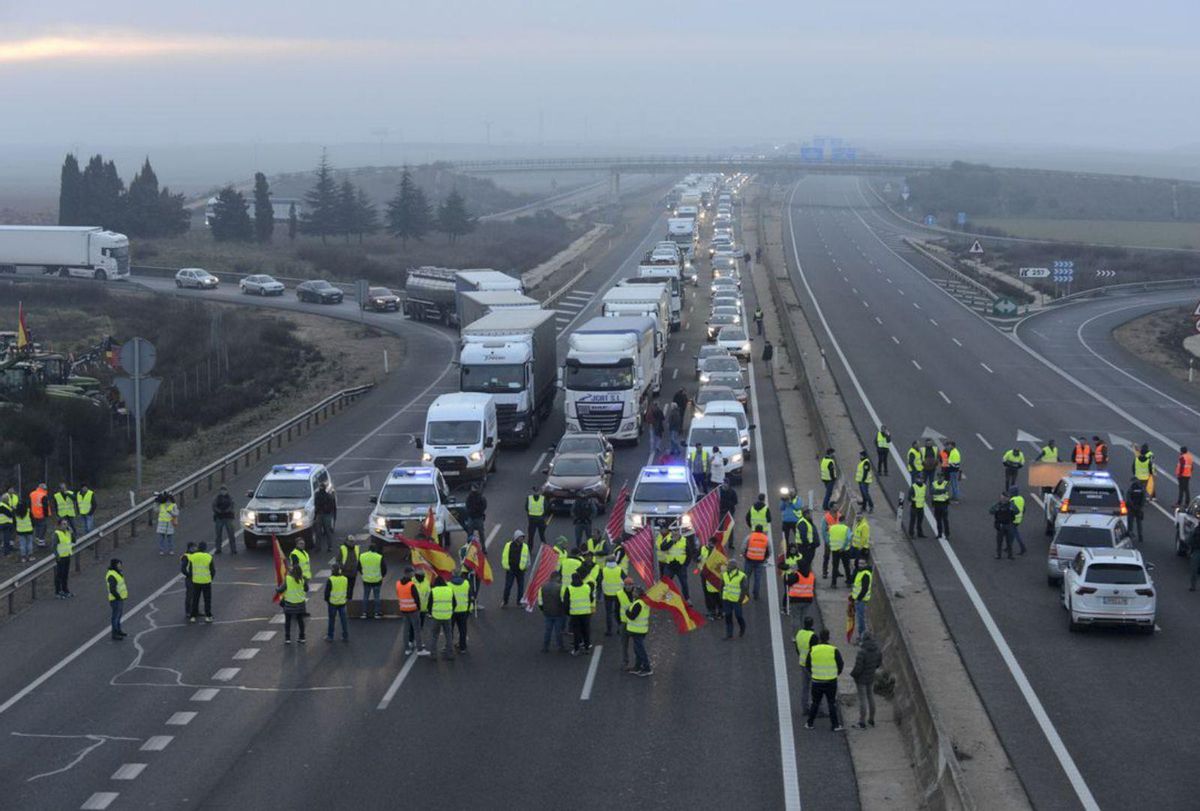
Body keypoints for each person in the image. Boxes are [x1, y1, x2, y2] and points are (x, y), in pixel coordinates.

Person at [804, 629, 845, 731]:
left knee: (815, 703)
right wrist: (836, 673)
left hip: (817, 681)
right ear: (828, 637)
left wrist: (814, 673)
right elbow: (840, 664)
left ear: (819, 637)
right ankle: (835, 725)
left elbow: (807, 664)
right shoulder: (833, 650)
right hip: (831, 681)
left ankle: (809, 723)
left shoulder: (813, 649)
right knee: (831, 703)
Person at [851, 633, 883, 729]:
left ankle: (862, 721)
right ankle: (871, 719)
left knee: (862, 700)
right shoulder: (877, 651)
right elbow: (878, 664)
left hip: (861, 679)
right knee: (871, 697)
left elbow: (858, 668)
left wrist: (853, 675)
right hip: (871, 677)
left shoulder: (862, 652)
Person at [563, 571, 595, 655]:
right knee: (586, 630)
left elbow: (566, 603)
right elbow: (591, 598)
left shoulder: (569, 588)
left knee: (576, 632)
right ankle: (587, 647)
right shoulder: (587, 587)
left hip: (575, 613)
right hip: (586, 612)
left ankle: (576, 649)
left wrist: (568, 612)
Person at [427, 576, 458, 660]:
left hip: (436, 616)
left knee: (434, 636)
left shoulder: (434, 591)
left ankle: (433, 655)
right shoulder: (449, 590)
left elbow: (429, 605)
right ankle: (450, 654)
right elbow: (455, 603)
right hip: (447, 616)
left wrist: (431, 613)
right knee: (448, 635)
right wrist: (450, 612)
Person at [624, 586, 653, 676]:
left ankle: (647, 668)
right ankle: (637, 667)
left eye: (634, 592)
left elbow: (632, 616)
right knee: (637, 649)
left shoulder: (638, 604)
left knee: (640, 650)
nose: (633, 593)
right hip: (642, 629)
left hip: (637, 630)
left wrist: (627, 611)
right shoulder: (645, 603)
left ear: (638, 594)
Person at [277, 562, 308, 644]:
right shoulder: (302, 579)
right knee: (300, 621)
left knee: (288, 621)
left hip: (289, 604)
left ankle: (288, 638)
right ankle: (302, 637)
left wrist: (277, 589)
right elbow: (306, 589)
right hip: (300, 604)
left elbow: (281, 589)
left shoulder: (288, 579)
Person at [394, 567, 423, 652]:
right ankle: (419, 648)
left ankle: (407, 648)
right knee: (417, 629)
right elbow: (416, 598)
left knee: (405, 630)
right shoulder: (411, 585)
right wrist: (419, 607)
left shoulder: (398, 583)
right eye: (412, 572)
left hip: (403, 609)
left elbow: (398, 594)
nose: (413, 574)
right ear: (409, 573)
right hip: (413, 610)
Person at [538, 571, 567, 652]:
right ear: (557, 577)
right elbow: (563, 600)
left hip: (547, 612)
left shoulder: (543, 586)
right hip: (558, 612)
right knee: (558, 631)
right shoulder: (561, 587)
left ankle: (545, 647)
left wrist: (543, 609)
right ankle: (560, 647)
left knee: (548, 631)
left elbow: (540, 601)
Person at [501, 530, 530, 607]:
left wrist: (526, 566)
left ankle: (519, 602)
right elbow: (504, 556)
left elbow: (527, 558)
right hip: (511, 569)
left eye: (522, 537)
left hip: (520, 570)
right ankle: (505, 601)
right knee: (508, 586)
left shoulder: (525, 547)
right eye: (520, 537)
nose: (522, 539)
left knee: (521, 587)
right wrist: (506, 567)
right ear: (516, 538)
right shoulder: (508, 545)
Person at [187, 542, 214, 623]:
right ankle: (208, 616)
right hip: (206, 581)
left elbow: (190, 569)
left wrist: (193, 577)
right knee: (207, 599)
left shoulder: (193, 556)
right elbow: (212, 570)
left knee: (195, 599)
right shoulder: (208, 557)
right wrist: (210, 578)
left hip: (196, 581)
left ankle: (193, 616)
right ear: (205, 548)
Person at [794, 618, 816, 715]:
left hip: (802, 662)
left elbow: (797, 648)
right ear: (812, 624)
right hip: (811, 665)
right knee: (815, 687)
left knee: (805, 687)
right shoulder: (813, 636)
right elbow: (815, 651)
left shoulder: (799, 633)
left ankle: (804, 708)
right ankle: (817, 708)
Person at [358, 542, 386, 619]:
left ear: (368, 549)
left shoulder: (362, 556)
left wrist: (363, 574)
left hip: (366, 580)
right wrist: (381, 576)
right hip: (377, 580)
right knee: (376, 596)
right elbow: (384, 569)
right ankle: (377, 613)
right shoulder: (379, 557)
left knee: (365, 596)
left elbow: (359, 567)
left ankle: (364, 613)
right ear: (375, 549)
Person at [698, 538, 724, 620]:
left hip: (714, 575)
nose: (709, 544)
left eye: (712, 543)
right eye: (709, 542)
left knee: (716, 594)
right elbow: (697, 556)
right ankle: (711, 611)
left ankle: (721, 610)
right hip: (704, 574)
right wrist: (697, 559)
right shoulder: (703, 548)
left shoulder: (719, 551)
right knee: (707, 593)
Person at [600, 555, 625, 635]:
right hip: (618, 594)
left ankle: (609, 630)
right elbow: (625, 579)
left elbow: (599, 580)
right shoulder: (619, 570)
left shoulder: (604, 570)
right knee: (618, 612)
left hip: (607, 594)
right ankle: (619, 628)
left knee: (609, 613)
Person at [722, 561, 747, 638]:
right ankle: (729, 634)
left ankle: (742, 628)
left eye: (729, 566)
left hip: (736, 601)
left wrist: (740, 599)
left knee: (738, 616)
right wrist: (721, 596)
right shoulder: (724, 574)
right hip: (726, 599)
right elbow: (721, 586)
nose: (727, 567)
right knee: (728, 616)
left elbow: (744, 589)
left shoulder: (742, 576)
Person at [325, 564, 350, 642]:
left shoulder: (330, 579)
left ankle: (330, 636)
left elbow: (327, 593)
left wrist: (327, 600)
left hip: (333, 603)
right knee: (343, 620)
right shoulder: (345, 579)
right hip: (342, 602)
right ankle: (345, 636)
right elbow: (348, 590)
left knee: (331, 620)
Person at [744, 524, 769, 600]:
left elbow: (743, 547)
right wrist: (765, 558)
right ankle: (756, 594)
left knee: (746, 577)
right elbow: (769, 550)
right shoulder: (766, 538)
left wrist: (744, 555)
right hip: (760, 561)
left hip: (749, 560)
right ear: (762, 530)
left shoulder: (750, 537)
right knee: (757, 579)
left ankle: (746, 594)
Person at [851, 556, 873, 642]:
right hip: (858, 599)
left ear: (866, 564)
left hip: (861, 600)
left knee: (861, 620)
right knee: (860, 619)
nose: (860, 565)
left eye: (862, 563)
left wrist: (858, 598)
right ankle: (863, 636)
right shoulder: (860, 572)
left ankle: (862, 637)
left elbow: (864, 589)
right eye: (859, 563)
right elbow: (852, 581)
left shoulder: (865, 574)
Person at [827, 514, 852, 588]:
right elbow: (848, 539)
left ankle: (833, 583)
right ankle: (848, 582)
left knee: (835, 567)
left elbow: (829, 537)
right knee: (846, 566)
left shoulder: (832, 528)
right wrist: (843, 547)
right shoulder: (846, 528)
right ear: (844, 520)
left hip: (835, 550)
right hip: (844, 550)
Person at [211, 485, 237, 554]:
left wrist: (226, 511)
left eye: (224, 490)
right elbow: (214, 506)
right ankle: (218, 549)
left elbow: (232, 506)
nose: (223, 491)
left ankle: (233, 549)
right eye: (222, 490)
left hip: (228, 518)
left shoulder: (230, 498)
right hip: (219, 518)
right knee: (218, 535)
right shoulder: (216, 498)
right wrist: (219, 511)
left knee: (231, 534)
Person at [451, 569, 472, 653]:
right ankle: (462, 647)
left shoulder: (449, 584)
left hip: (452, 611)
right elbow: (469, 597)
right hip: (463, 610)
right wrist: (469, 608)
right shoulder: (466, 583)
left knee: (450, 630)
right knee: (463, 629)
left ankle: (449, 646)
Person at [990, 492, 1016, 560]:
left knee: (1009, 541)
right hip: (1000, 525)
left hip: (1009, 524)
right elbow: (990, 511)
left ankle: (1010, 555)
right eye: (1003, 497)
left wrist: (1011, 509)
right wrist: (996, 509)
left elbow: (1017, 511)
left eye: (1006, 498)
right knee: (999, 541)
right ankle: (998, 554)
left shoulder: (1011, 505)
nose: (1004, 499)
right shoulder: (998, 505)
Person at [314, 481, 337, 553]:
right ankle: (319, 547)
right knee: (319, 532)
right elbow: (316, 505)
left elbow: (332, 506)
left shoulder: (328, 496)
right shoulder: (319, 495)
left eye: (322, 487)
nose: (321, 488)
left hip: (325, 514)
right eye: (320, 487)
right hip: (321, 514)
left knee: (327, 531)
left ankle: (329, 547)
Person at [53, 518, 74, 598]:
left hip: (67, 555)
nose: (66, 525)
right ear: (59, 525)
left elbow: (74, 541)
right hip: (61, 557)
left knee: (65, 575)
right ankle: (58, 592)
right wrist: (57, 556)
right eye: (64, 524)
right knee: (59, 575)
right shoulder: (57, 533)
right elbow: (54, 546)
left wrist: (72, 533)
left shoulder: (68, 532)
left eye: (66, 524)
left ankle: (65, 590)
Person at [1126, 478, 1147, 544]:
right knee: (1139, 524)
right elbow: (1144, 499)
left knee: (1130, 523)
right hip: (1139, 508)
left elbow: (1128, 498)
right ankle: (1140, 537)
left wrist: (1132, 506)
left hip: (1131, 508)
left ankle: (1130, 536)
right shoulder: (1141, 489)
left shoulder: (1131, 488)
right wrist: (1140, 507)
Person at [14, 497, 35, 563]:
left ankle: (23, 557)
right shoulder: (28, 511)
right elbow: (33, 520)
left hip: (20, 530)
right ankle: (30, 556)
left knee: (22, 544)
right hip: (29, 529)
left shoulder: (16, 513)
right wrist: (33, 526)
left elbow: (14, 522)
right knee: (29, 543)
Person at [339, 537, 360, 601]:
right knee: (345, 589)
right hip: (345, 573)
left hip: (353, 573)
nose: (351, 543)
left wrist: (358, 569)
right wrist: (342, 568)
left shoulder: (356, 548)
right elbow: (338, 560)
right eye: (350, 542)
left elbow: (358, 560)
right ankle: (345, 601)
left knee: (351, 589)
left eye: (352, 541)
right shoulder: (342, 548)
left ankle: (349, 601)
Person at [931, 473, 951, 540]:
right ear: (937, 477)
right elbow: (932, 492)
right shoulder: (934, 483)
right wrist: (941, 491)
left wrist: (937, 491)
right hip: (937, 504)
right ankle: (939, 534)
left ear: (943, 477)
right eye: (939, 477)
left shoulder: (946, 483)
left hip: (944, 504)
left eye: (941, 477)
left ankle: (947, 535)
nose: (940, 478)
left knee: (945, 520)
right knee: (938, 520)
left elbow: (945, 490)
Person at [30, 482, 49, 548]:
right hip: (41, 514)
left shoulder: (32, 494)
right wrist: (46, 515)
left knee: (37, 528)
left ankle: (37, 540)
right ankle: (41, 543)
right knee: (43, 529)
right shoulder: (43, 495)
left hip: (33, 514)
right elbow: (45, 506)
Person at [1008, 486, 1027, 555]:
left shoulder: (1012, 500)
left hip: (1012, 519)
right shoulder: (1021, 498)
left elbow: (1009, 510)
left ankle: (1023, 547)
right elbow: (1024, 509)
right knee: (1012, 533)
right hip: (1019, 519)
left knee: (1015, 534)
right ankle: (1008, 547)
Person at [180, 542, 196, 619]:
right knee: (189, 595)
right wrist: (189, 575)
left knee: (196, 595)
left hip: (197, 578)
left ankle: (196, 610)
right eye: (193, 547)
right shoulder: (186, 556)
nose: (195, 549)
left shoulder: (196, 554)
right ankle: (188, 611)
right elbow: (183, 569)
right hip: (190, 579)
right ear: (189, 548)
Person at [0, 485, 16, 556]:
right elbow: (9, 514)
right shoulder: (3, 506)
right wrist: (12, 511)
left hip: (3, 523)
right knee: (6, 538)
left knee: (5, 537)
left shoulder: (2, 505)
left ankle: (6, 549)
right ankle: (6, 552)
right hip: (5, 523)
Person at [1188, 524, 1200, 591]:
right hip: (1197, 550)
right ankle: (1193, 586)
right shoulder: (1197, 529)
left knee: (1194, 569)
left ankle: (1193, 586)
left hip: (1196, 551)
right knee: (1194, 569)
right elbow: (1190, 539)